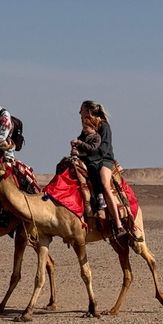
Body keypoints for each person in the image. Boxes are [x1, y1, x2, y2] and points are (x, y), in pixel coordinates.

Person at [73, 100, 126, 237]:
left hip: (104, 159)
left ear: (89, 112)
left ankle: (118, 224)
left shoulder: (104, 127)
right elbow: (82, 141)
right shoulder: (88, 126)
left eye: (82, 110)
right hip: (89, 159)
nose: (80, 113)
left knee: (104, 184)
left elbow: (103, 149)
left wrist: (83, 153)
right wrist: (75, 147)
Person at [71, 115, 107, 209]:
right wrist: (74, 148)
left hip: (92, 161)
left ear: (92, 127)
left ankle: (100, 197)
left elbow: (91, 149)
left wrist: (79, 143)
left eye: (86, 128)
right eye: (83, 128)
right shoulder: (84, 137)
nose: (84, 130)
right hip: (81, 160)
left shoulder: (96, 138)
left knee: (93, 172)